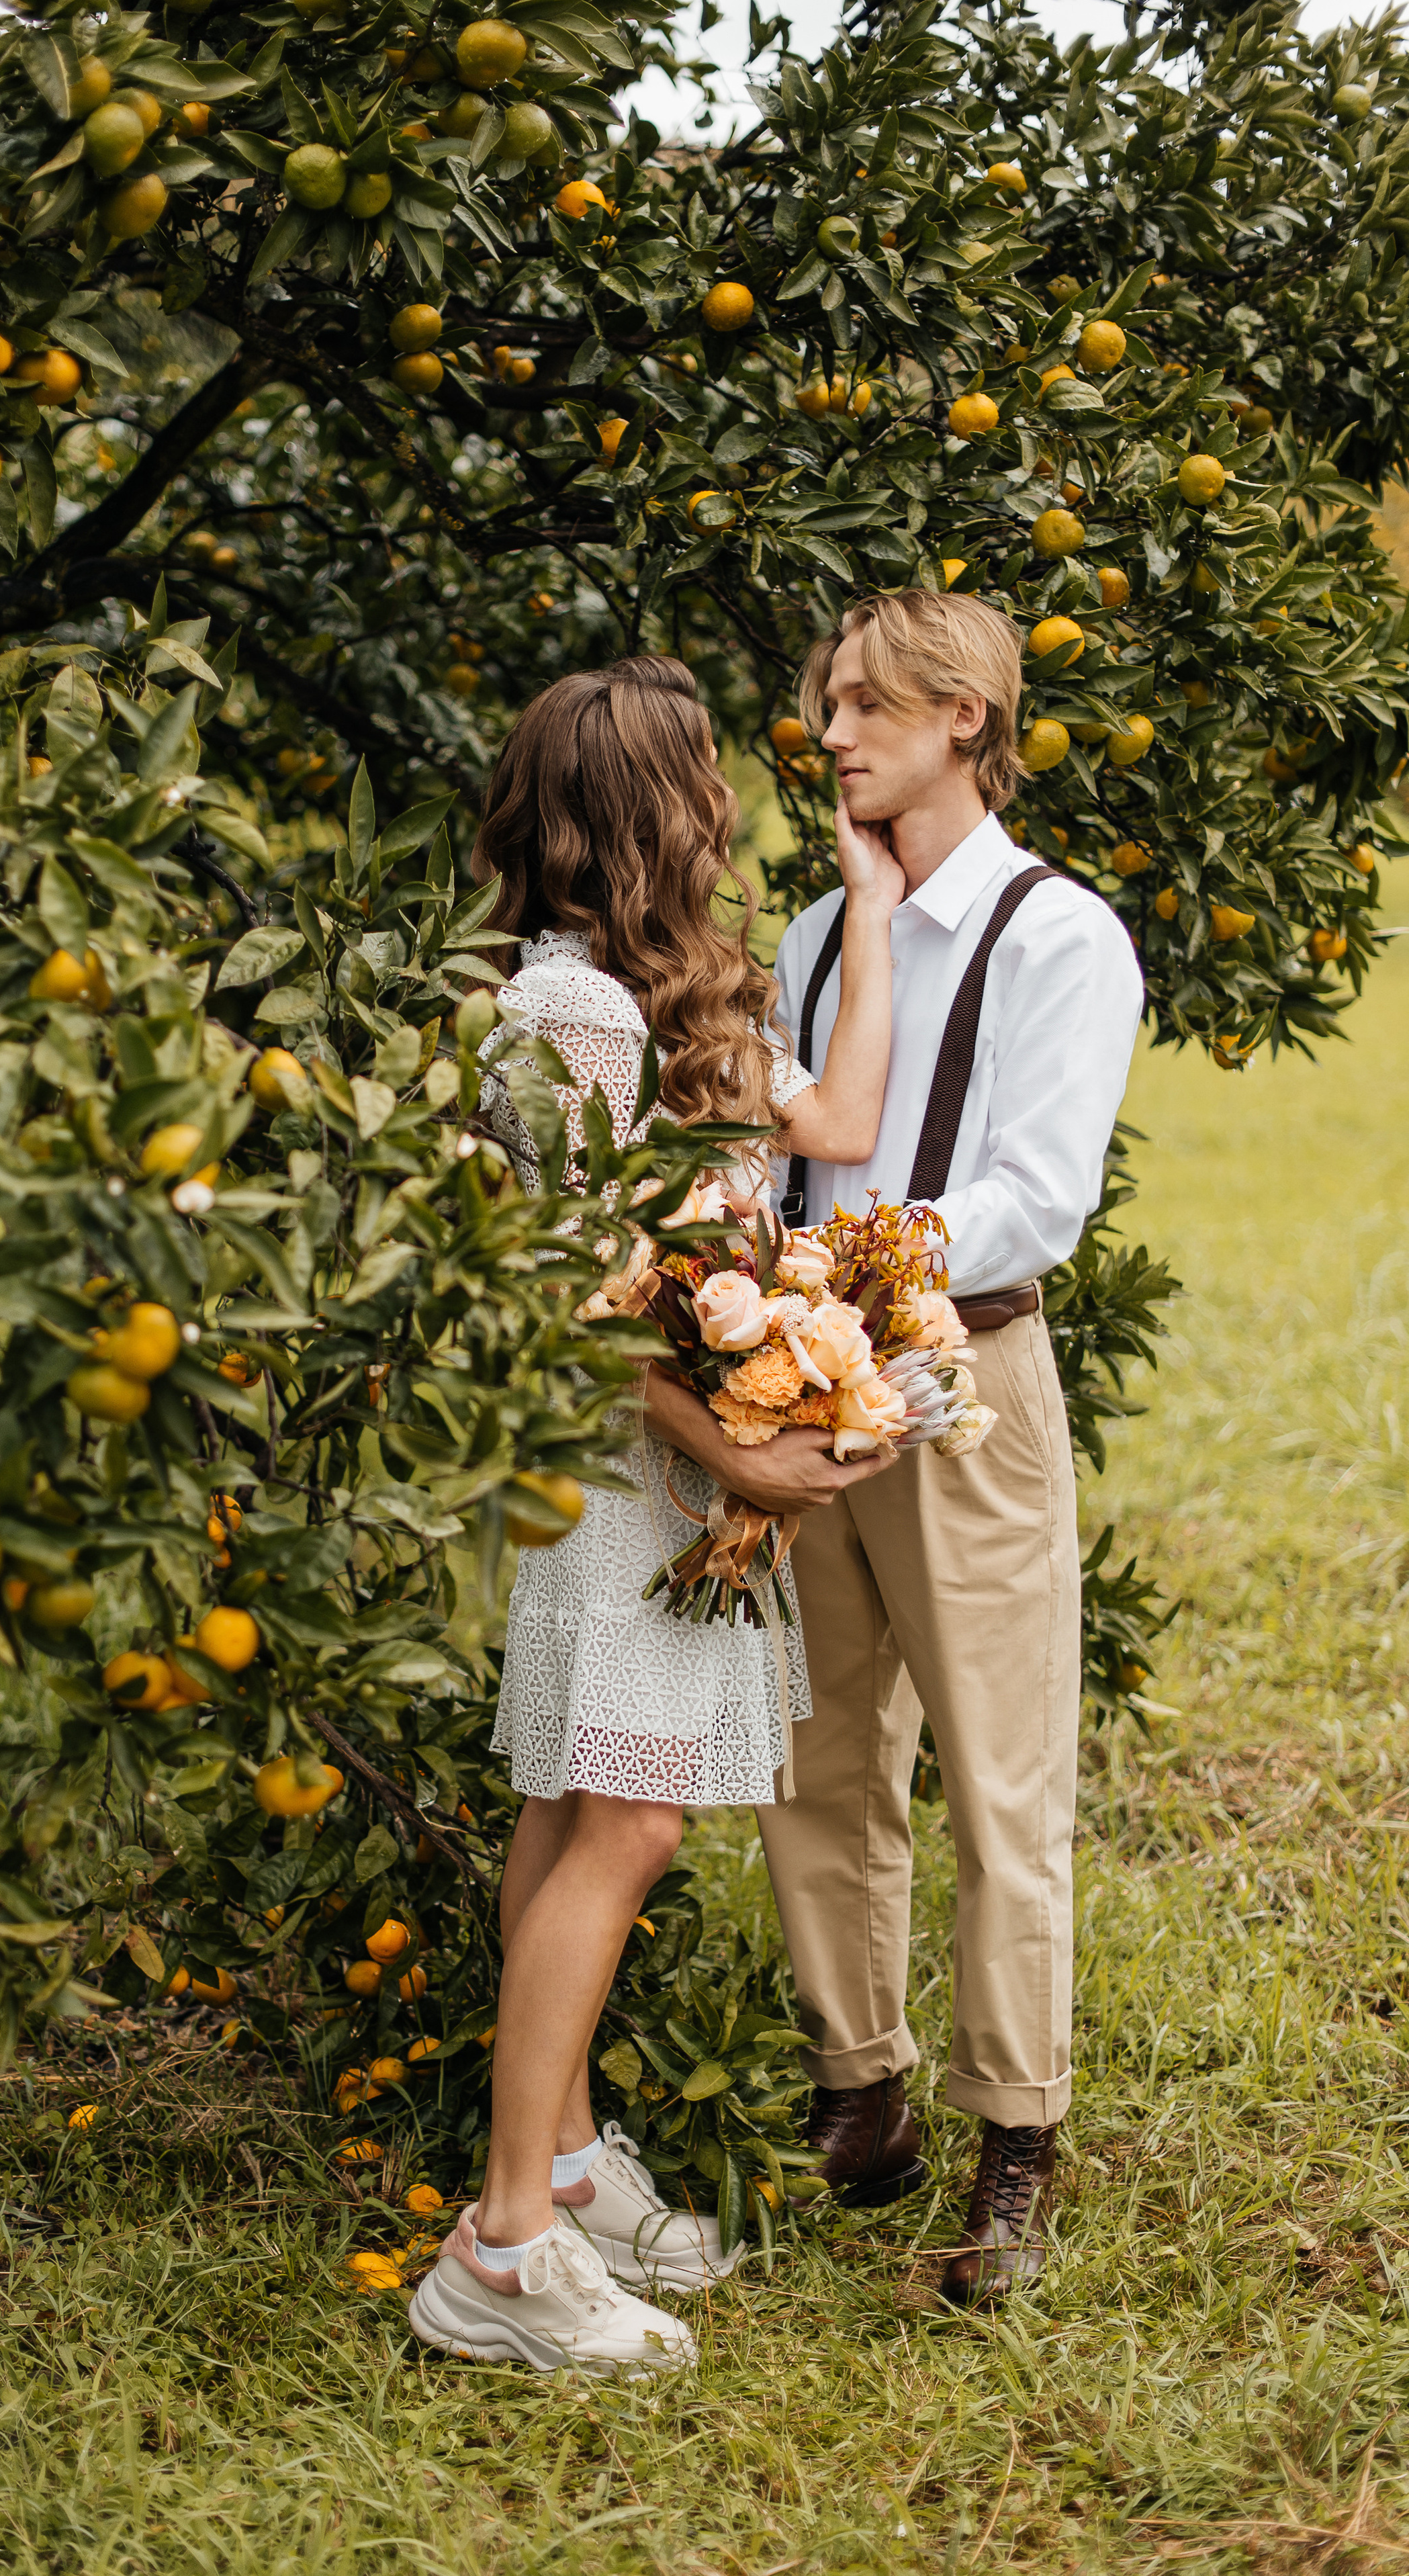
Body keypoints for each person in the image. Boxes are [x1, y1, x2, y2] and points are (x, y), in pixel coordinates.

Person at [643, 590, 1144, 2305]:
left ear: (961, 721)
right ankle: (859, 2088)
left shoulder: (1056, 937)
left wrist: (849, 1287)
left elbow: (1035, 1198)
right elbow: (782, 1152)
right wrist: (747, 1309)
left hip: (964, 1391)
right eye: (827, 705)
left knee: (1001, 1780)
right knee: (817, 1754)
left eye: (866, 706)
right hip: (802, 1398)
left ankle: (1014, 2132)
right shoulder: (806, 935)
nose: (833, 733)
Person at [406, 654, 904, 2375]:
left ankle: (550, 2160)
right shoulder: (569, 1012)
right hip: (629, 1465)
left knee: (576, 1803)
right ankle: (504, 2251)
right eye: (701, 779)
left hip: (671, 1457)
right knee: (622, 1821)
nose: (728, 804)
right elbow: (566, 1284)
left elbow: (834, 1123)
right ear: (651, 808)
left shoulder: (664, 995)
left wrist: (871, 914)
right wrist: (738, 1450)